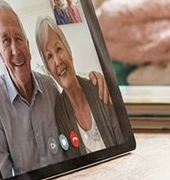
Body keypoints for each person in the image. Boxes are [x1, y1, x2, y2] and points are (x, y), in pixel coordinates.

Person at [0, 0, 69, 177]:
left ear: (27, 45)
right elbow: (1, 177)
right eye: (6, 41)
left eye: (18, 38)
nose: (15, 50)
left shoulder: (50, 87)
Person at [33, 15, 125, 154]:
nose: (57, 61)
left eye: (58, 49)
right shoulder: (60, 114)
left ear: (68, 51)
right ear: (48, 68)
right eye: (49, 56)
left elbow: (123, 143)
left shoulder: (99, 88)